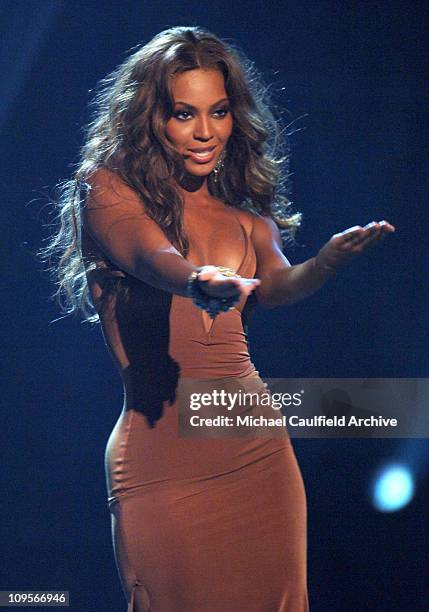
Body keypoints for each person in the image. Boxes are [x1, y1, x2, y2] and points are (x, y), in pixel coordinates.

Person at [41, 26, 395, 611]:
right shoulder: (104, 190)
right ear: (151, 118)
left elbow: (278, 286)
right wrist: (196, 281)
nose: (205, 132)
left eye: (219, 111)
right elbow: (148, 256)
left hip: (253, 442)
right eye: (184, 113)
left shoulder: (248, 220)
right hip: (161, 454)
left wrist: (326, 262)